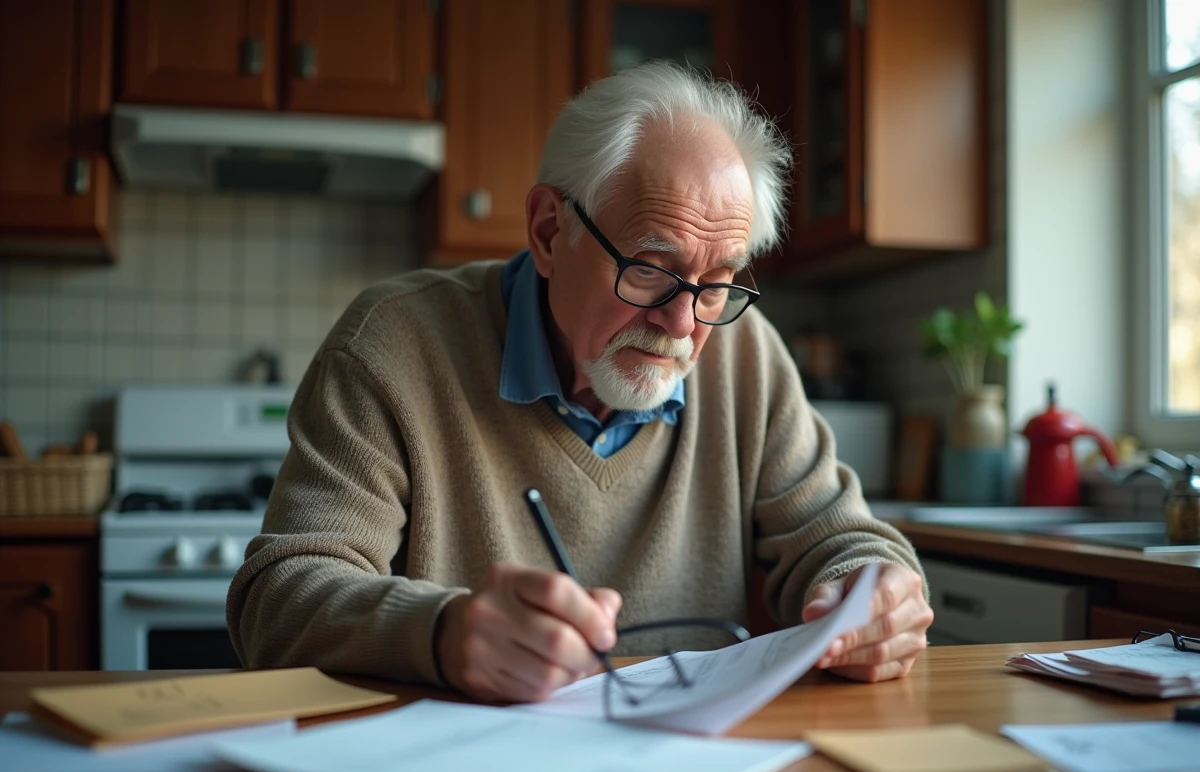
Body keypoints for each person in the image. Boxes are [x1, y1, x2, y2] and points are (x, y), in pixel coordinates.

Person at [227, 62, 933, 703]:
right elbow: (277, 600)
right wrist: (440, 633)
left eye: (717, 282)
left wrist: (874, 592)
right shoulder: (391, 344)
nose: (684, 324)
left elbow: (837, 538)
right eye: (652, 268)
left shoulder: (745, 355)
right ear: (546, 231)